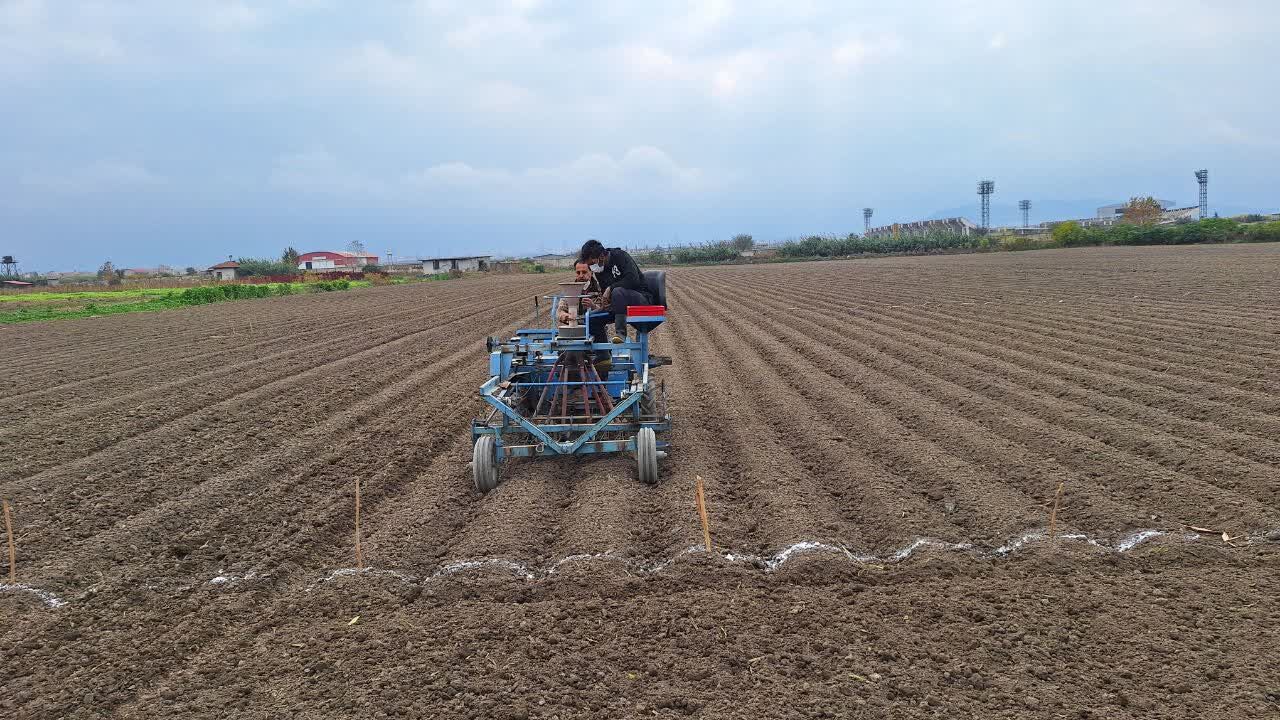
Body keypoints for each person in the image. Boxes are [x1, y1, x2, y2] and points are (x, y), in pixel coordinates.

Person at [577, 239, 652, 343]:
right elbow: (605, 291)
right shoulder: (600, 270)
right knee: (590, 318)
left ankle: (621, 334)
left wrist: (610, 288)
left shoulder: (620, 256)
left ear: (602, 256)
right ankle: (604, 356)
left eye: (593, 263)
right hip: (618, 306)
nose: (592, 267)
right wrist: (605, 302)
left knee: (617, 291)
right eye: (590, 265)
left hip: (640, 299)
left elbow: (633, 279)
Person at [556, 261, 599, 325]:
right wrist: (565, 316)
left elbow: (605, 311)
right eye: (578, 272)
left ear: (591, 272)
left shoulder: (599, 289)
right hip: (573, 328)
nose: (581, 275)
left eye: (584, 272)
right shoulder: (569, 290)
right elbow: (560, 311)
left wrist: (593, 306)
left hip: (595, 328)